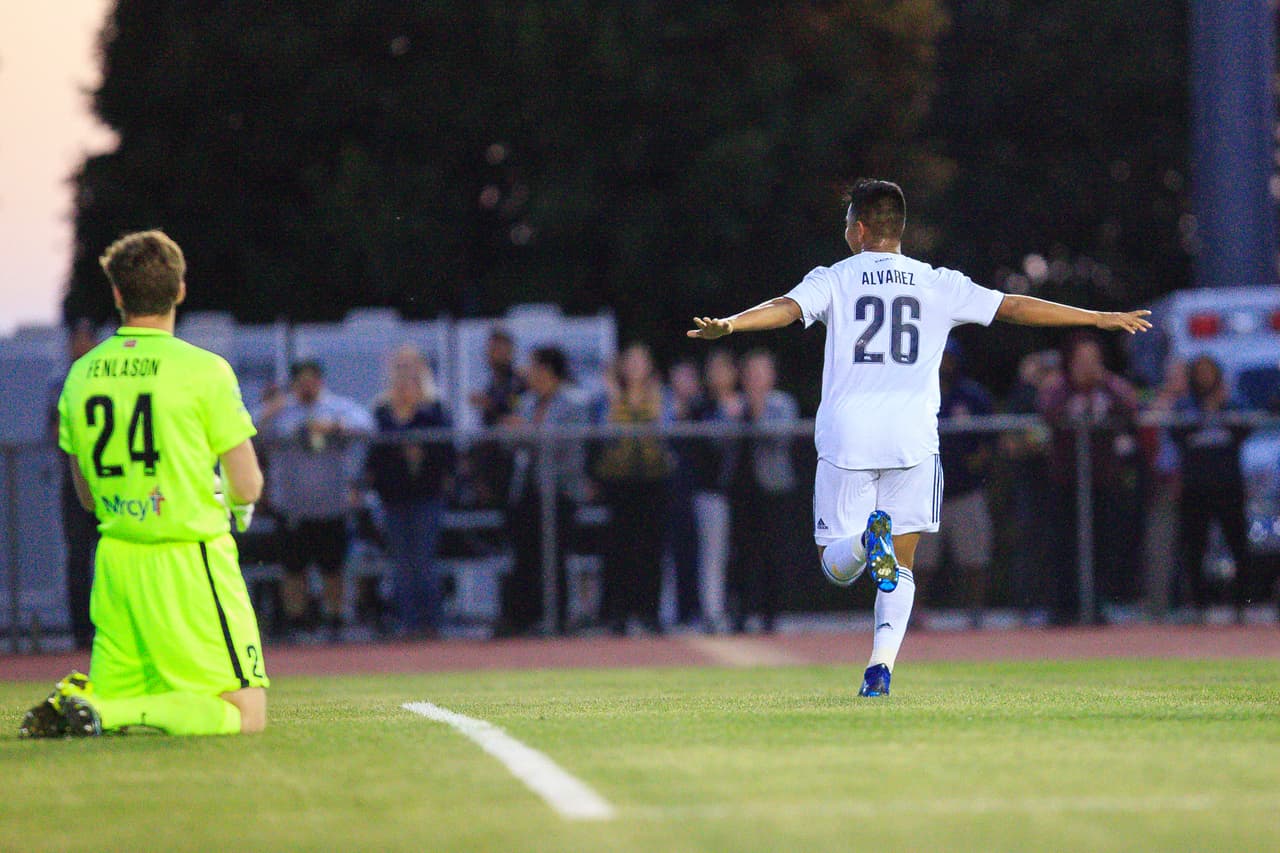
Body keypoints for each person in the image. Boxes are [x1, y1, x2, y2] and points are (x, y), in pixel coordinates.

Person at [687, 179, 1151, 697]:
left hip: (849, 437)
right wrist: (1098, 318)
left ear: (859, 230)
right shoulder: (937, 282)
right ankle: (880, 667)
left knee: (836, 566)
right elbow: (1015, 307)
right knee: (900, 565)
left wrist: (731, 325)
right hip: (911, 439)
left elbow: (786, 307)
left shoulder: (836, 277)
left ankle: (867, 542)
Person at [22, 230, 267, 737]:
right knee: (245, 715)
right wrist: (236, 504)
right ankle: (102, 709)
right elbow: (247, 484)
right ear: (179, 290)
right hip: (186, 557)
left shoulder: (81, 374)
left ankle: (87, 700)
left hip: (116, 562)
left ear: (116, 294)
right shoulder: (204, 370)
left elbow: (86, 495)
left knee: (133, 699)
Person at [256, 360, 373, 640]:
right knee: (293, 569)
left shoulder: (337, 407)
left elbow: (367, 425)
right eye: (301, 380)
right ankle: (296, 621)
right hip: (292, 507)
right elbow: (245, 429)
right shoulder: (282, 411)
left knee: (332, 568)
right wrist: (270, 410)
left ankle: (334, 620)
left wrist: (334, 426)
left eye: (312, 379)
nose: (307, 385)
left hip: (331, 505)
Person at [1038, 334, 1144, 624]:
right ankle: (1063, 608)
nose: (1087, 366)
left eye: (1092, 359)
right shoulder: (1058, 387)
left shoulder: (1112, 387)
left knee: (1103, 545)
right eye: (1081, 360)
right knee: (1063, 546)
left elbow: (1132, 409)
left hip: (1102, 479)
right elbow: (1047, 410)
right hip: (1065, 480)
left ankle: (1098, 605)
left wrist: (1102, 384)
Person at [498, 346, 590, 635]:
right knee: (525, 556)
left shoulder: (574, 403)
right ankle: (524, 617)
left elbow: (570, 449)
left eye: (534, 366)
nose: (529, 372)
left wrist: (529, 433)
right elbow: (512, 444)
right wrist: (511, 433)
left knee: (555, 556)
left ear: (549, 370)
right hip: (527, 491)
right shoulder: (526, 402)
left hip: (559, 492)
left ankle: (558, 618)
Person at [367, 345, 454, 639]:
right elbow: (374, 455)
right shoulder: (381, 409)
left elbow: (447, 453)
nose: (406, 372)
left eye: (411, 365)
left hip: (427, 495)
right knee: (401, 562)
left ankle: (432, 623)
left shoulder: (436, 407)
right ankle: (408, 623)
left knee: (424, 560)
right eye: (400, 366)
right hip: (393, 496)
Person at [913, 341, 996, 628]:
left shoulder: (972, 396)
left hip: (965, 491)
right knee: (920, 561)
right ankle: (914, 613)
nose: (944, 364)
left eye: (948, 358)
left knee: (974, 558)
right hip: (925, 493)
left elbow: (990, 438)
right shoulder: (916, 394)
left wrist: (977, 462)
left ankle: (975, 613)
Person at [593, 342, 673, 635]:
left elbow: (665, 435)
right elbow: (605, 437)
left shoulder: (662, 397)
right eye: (631, 361)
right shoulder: (608, 398)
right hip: (619, 483)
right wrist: (616, 400)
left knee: (651, 550)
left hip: (653, 482)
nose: (636, 367)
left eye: (641, 361)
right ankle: (618, 614)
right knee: (619, 550)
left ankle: (649, 613)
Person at [1169, 354, 1254, 620]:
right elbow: (1176, 433)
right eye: (1200, 372)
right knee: (1195, 548)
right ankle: (1199, 607)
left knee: (1238, 545)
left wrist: (1222, 408)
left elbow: (1247, 428)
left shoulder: (1234, 402)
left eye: (1209, 372)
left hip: (1228, 484)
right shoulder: (1185, 405)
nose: (1205, 377)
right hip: (1196, 486)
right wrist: (1204, 411)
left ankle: (1240, 605)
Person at [727, 349, 799, 633]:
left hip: (773, 490)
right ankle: (741, 615)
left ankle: (771, 616)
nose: (756, 378)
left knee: (772, 554)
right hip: (741, 491)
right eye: (751, 372)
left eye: (762, 372)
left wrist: (757, 409)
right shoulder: (732, 405)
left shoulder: (782, 404)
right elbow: (719, 443)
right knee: (742, 556)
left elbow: (779, 437)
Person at [50, 318, 101, 650]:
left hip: (109, 477)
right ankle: (82, 632)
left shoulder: (103, 377)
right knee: (79, 557)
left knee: (113, 554)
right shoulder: (63, 382)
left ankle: (108, 630)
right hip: (77, 476)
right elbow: (55, 430)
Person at [465, 328, 525, 508]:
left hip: (508, 459)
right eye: (490, 350)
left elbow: (515, 414)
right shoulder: (492, 382)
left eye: (498, 350)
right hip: (489, 460)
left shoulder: (518, 381)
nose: (492, 355)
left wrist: (488, 404)